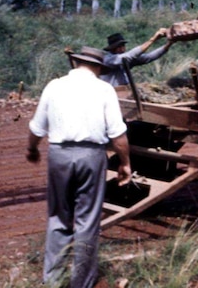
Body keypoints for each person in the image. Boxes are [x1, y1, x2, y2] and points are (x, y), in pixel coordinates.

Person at [26, 46, 132, 288]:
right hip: (91, 155)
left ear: (75, 63)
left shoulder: (54, 86)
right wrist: (125, 163)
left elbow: (36, 128)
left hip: (59, 155)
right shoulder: (104, 89)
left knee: (58, 217)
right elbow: (118, 133)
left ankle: (52, 281)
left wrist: (31, 150)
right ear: (98, 68)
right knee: (87, 220)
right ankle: (81, 282)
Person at [100, 28, 173, 87]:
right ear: (112, 48)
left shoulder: (126, 60)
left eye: (123, 46)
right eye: (119, 47)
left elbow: (148, 57)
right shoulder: (109, 59)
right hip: (111, 93)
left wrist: (170, 43)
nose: (122, 49)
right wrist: (153, 39)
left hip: (125, 92)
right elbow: (130, 55)